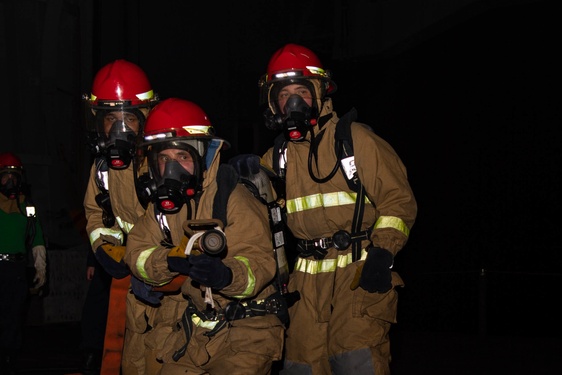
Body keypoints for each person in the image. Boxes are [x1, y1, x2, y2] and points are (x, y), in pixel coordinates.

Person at [257, 43, 418, 374]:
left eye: (301, 91)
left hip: (358, 276)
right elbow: (253, 219)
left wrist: (383, 252)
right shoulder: (276, 160)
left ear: (319, 93)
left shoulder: (355, 141)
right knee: (301, 367)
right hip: (304, 285)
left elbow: (398, 200)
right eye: (285, 95)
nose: (294, 102)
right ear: (274, 103)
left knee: (354, 362)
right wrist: (243, 177)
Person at [124, 97, 285, 374]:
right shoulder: (162, 208)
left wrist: (226, 276)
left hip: (249, 328)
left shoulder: (233, 198)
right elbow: (136, 253)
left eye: (182, 157)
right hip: (198, 328)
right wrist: (169, 261)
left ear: (203, 157)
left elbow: (259, 263)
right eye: (163, 159)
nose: (171, 169)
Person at [81, 59, 159, 375]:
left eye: (128, 119)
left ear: (146, 120)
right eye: (111, 118)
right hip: (129, 280)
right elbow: (95, 214)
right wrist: (104, 247)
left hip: (171, 282)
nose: (119, 130)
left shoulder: (167, 160)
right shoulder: (102, 169)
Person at [0, 152, 47, 375]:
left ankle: (9, 357)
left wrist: (40, 267)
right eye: (5, 177)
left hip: (16, 269)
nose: (10, 182)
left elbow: (36, 237)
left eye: (14, 176)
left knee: (14, 315)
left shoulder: (27, 207)